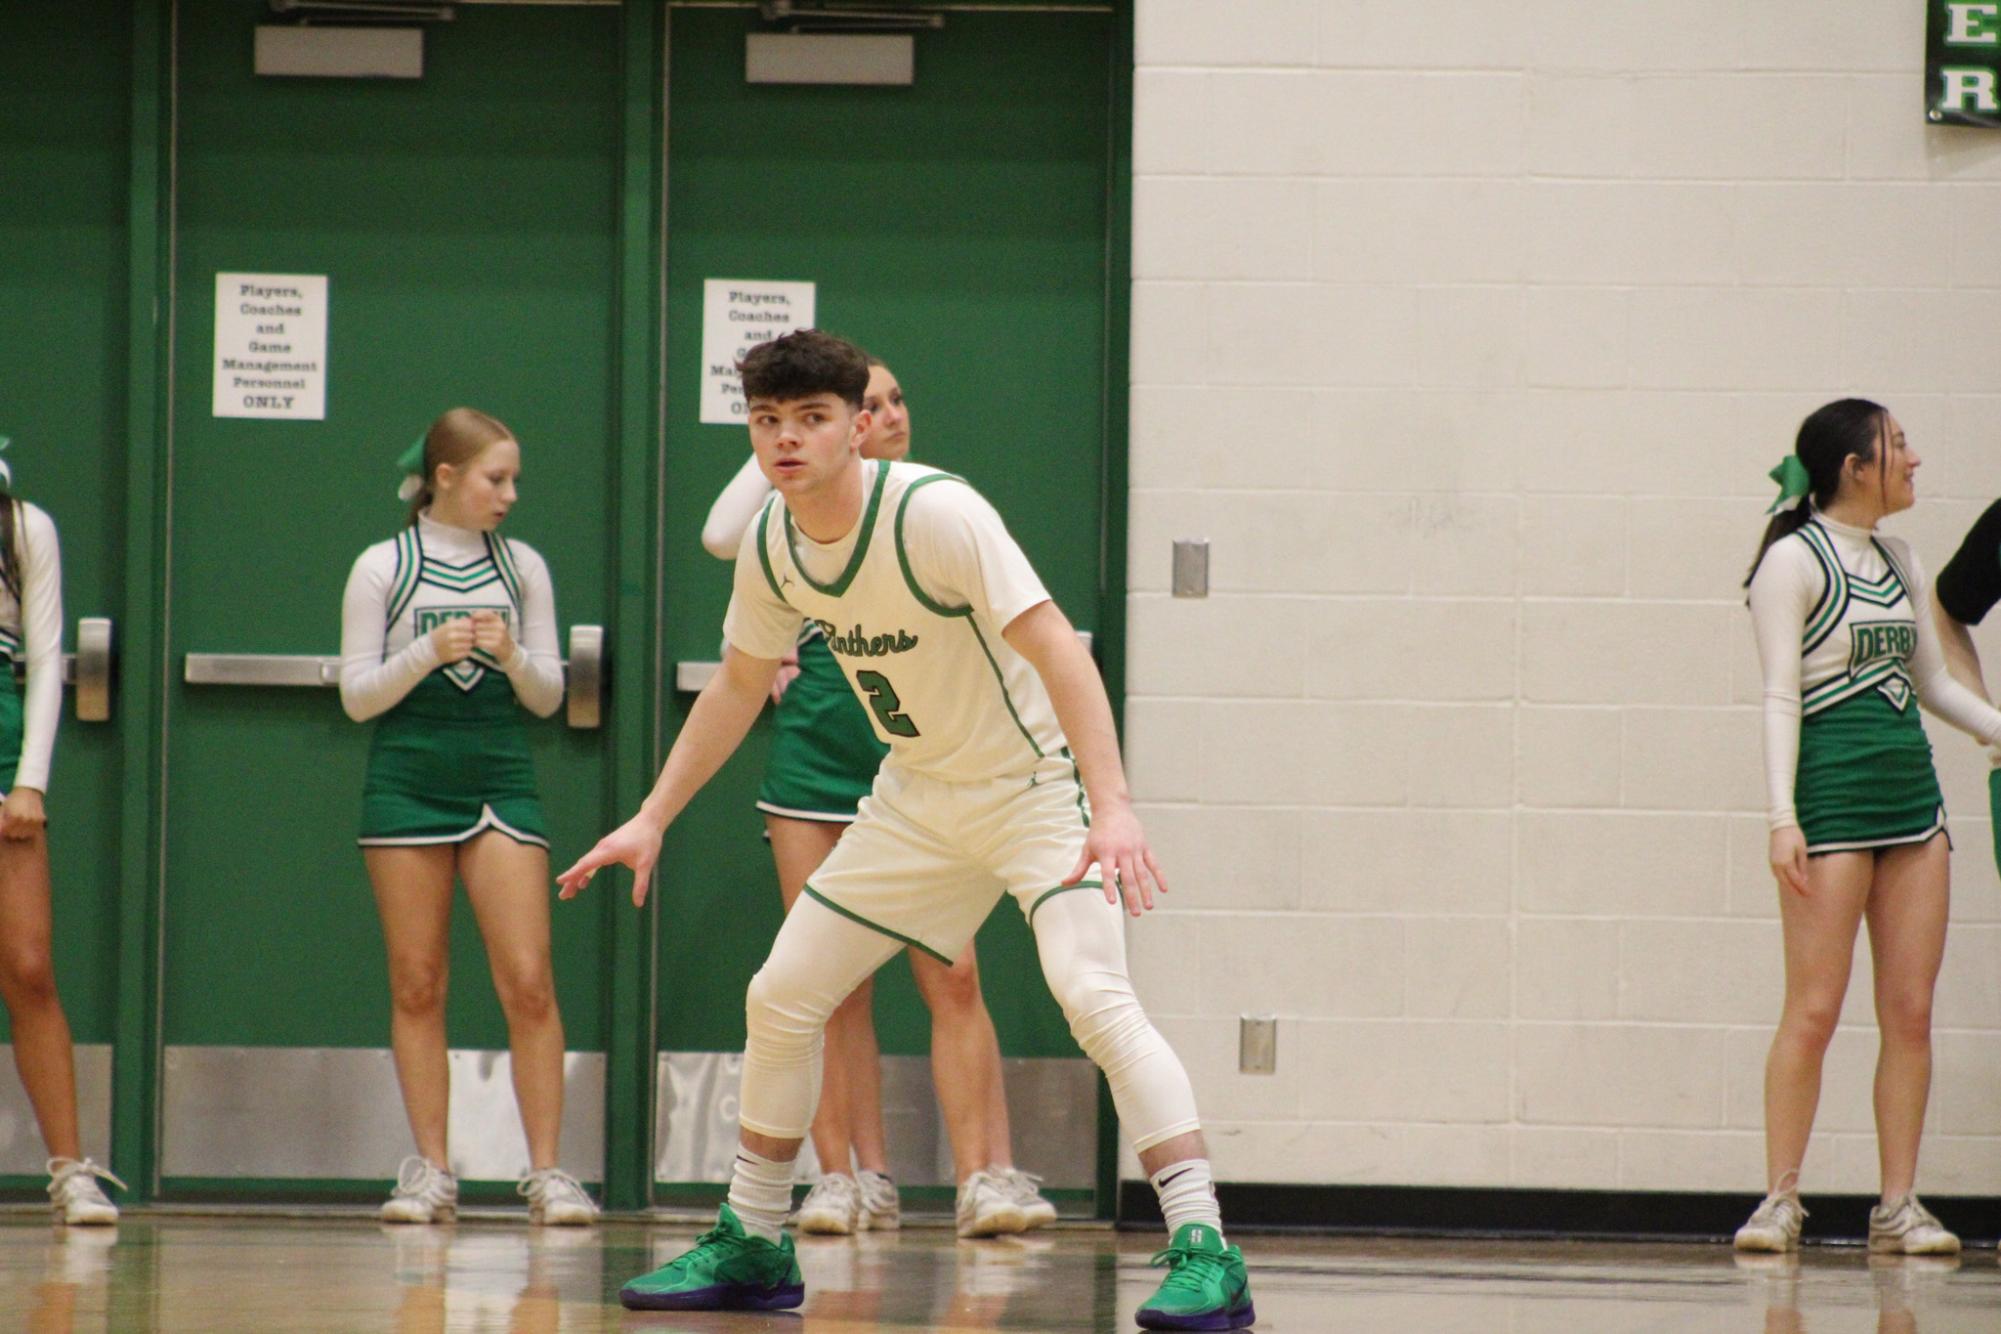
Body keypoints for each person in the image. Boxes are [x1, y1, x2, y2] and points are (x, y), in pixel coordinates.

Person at [561, 331, 1254, 1330]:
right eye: (768, 421)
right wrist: (651, 814)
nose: (787, 439)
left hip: (1029, 789)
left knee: (1092, 994)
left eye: (810, 418)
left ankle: (1205, 1245)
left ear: (857, 425)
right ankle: (756, 1237)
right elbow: (742, 681)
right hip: (916, 798)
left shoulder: (936, 512)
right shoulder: (771, 542)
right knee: (783, 993)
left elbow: (1057, 646)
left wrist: (1114, 804)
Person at [700, 355, 1056, 1238]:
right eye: (874, 400)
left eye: (898, 399)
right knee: (820, 981)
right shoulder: (790, 525)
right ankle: (845, 1177)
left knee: (954, 969)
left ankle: (987, 1174)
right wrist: (786, 438)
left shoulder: (926, 514)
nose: (890, 414)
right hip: (818, 746)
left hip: (923, 760)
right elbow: (719, 535)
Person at [1736, 399, 1997, 1256]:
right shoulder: (1792, 562)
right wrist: (1783, 818)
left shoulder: (1901, 557)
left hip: (1910, 807)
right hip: (1830, 806)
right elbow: (1779, 694)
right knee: (1811, 1011)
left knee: (1909, 1014)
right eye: (1897, 446)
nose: (1913, 459)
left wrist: (1995, 726)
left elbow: (1931, 683)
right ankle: (1779, 1200)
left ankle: (1897, 1204)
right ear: (1854, 467)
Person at [340, 408, 595, 1227]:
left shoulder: (523, 569)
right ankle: (431, 1171)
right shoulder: (383, 566)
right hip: (406, 783)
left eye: (514, 478)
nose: (510, 494)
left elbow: (549, 695)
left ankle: (549, 1171)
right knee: (417, 982)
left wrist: (511, 654)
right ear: (445, 478)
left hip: (500, 779)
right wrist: (426, 652)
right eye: (496, 478)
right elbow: (356, 696)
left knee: (528, 979)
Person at [0, 437, 121, 1225]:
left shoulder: (22, 526)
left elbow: (46, 659)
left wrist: (30, 780)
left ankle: (71, 1170)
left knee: (30, 965)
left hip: (4, 745)